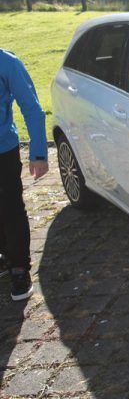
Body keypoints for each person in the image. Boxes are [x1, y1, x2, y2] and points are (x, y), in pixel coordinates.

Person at [0, 48, 49, 301]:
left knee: (9, 209)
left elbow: (31, 107)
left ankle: (19, 267)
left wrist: (39, 153)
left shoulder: (7, 63)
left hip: (3, 152)